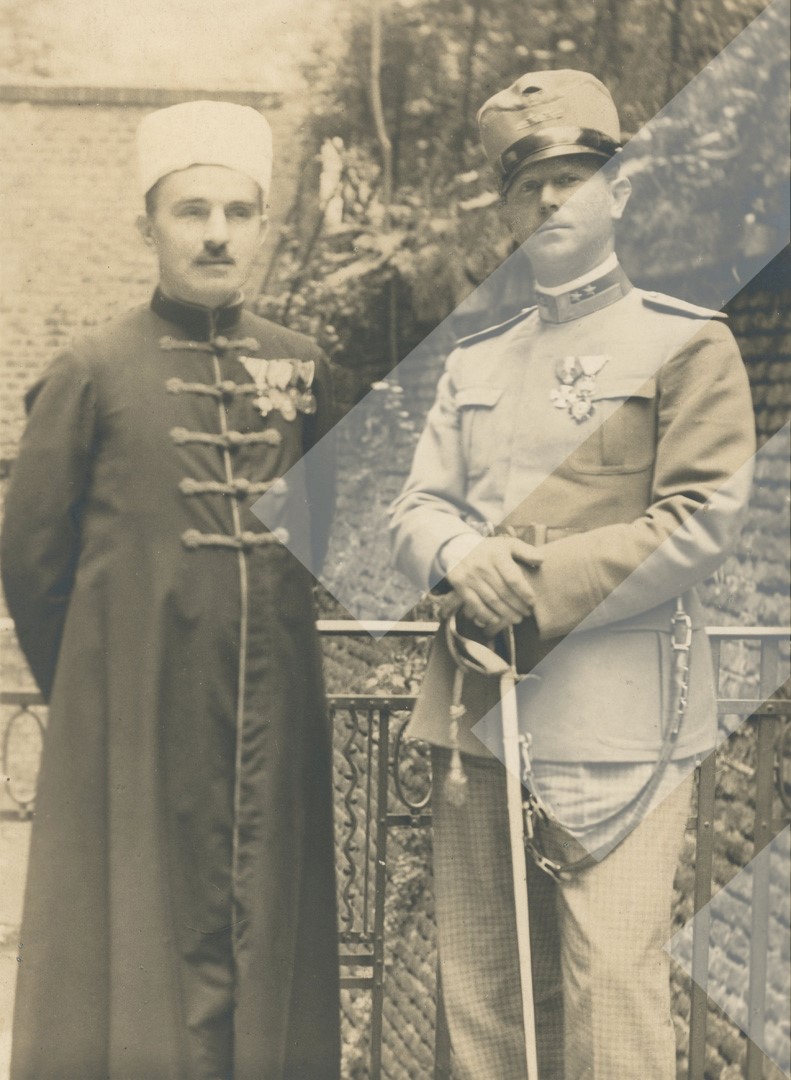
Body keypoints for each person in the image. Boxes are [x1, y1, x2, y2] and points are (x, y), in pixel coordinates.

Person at [389, 70, 756, 1079]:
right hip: (471, 717)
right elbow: (415, 508)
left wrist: (522, 577)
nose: (550, 201)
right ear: (506, 212)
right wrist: (457, 553)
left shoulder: (685, 342)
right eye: (527, 187)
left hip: (617, 725)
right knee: (484, 1000)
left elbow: (698, 521)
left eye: (572, 178)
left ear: (618, 192)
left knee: (610, 1004)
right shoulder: (473, 359)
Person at [2, 100, 340, 1080]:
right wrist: (101, 684)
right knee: (136, 960)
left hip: (271, 724)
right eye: (192, 211)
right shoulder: (90, 371)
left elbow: (325, 540)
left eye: (238, 212)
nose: (216, 234)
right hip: (131, 723)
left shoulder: (302, 368)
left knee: (263, 943)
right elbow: (32, 559)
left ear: (262, 224)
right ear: (146, 225)